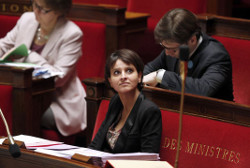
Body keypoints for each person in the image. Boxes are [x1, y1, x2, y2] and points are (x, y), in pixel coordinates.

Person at [0, 0, 87, 136]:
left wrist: (29, 55)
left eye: (43, 9)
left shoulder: (72, 33)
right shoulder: (27, 19)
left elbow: (59, 77)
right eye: (35, 4)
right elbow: (4, 45)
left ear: (59, 11)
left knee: (20, 111)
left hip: (57, 101)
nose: (36, 11)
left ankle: (21, 154)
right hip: (21, 92)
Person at [143, 8, 234, 101]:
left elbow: (203, 90)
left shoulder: (217, 55)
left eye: (173, 50)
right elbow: (149, 70)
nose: (166, 53)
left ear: (192, 40)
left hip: (213, 113)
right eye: (164, 47)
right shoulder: (172, 47)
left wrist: (161, 76)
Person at [89, 49, 162, 153]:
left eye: (129, 71)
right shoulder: (116, 101)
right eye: (117, 72)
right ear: (110, 81)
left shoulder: (149, 111)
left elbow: (148, 159)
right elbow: (97, 143)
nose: (123, 77)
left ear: (139, 76)